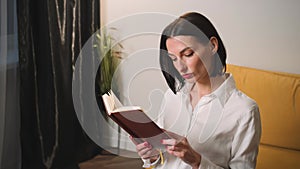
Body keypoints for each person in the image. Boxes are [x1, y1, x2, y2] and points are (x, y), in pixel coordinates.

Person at [130, 12, 261, 169]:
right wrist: (151, 156)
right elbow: (162, 157)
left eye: (188, 54)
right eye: (173, 59)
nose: (180, 67)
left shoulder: (244, 111)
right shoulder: (173, 96)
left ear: (213, 45)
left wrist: (197, 161)